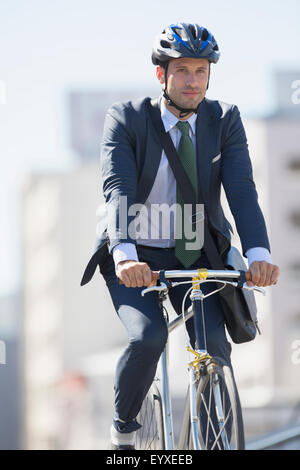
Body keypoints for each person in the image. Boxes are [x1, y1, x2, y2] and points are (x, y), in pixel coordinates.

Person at [81, 22, 280, 450]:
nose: (193, 81)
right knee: (148, 336)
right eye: (183, 71)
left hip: (196, 251)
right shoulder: (128, 119)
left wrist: (259, 253)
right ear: (162, 75)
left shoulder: (224, 119)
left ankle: (216, 439)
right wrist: (124, 258)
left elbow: (242, 191)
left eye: (201, 71)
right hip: (135, 252)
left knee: (214, 348)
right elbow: (117, 190)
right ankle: (124, 427)